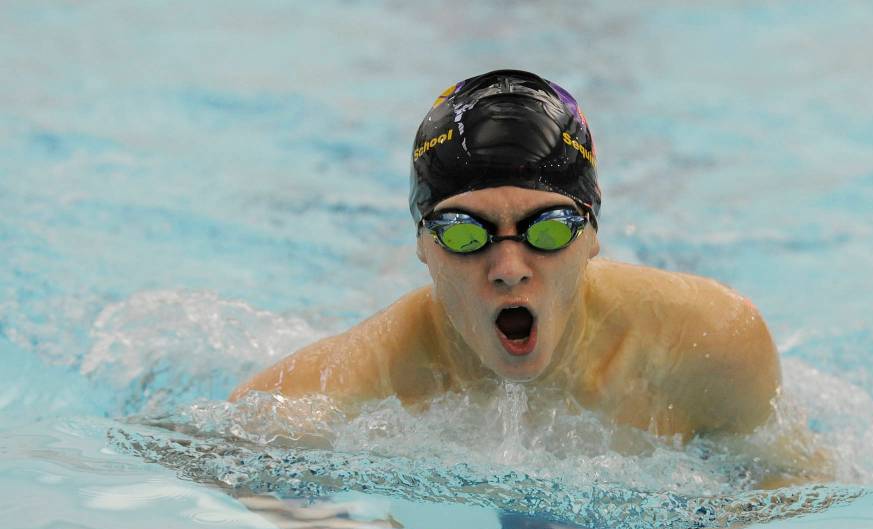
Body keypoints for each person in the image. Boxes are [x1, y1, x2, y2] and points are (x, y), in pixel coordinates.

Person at [231, 69, 828, 484]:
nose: (509, 270)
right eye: (466, 232)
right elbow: (222, 458)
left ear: (592, 234)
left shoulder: (708, 341)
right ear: (422, 244)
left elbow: (795, 479)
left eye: (548, 229)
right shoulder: (359, 382)